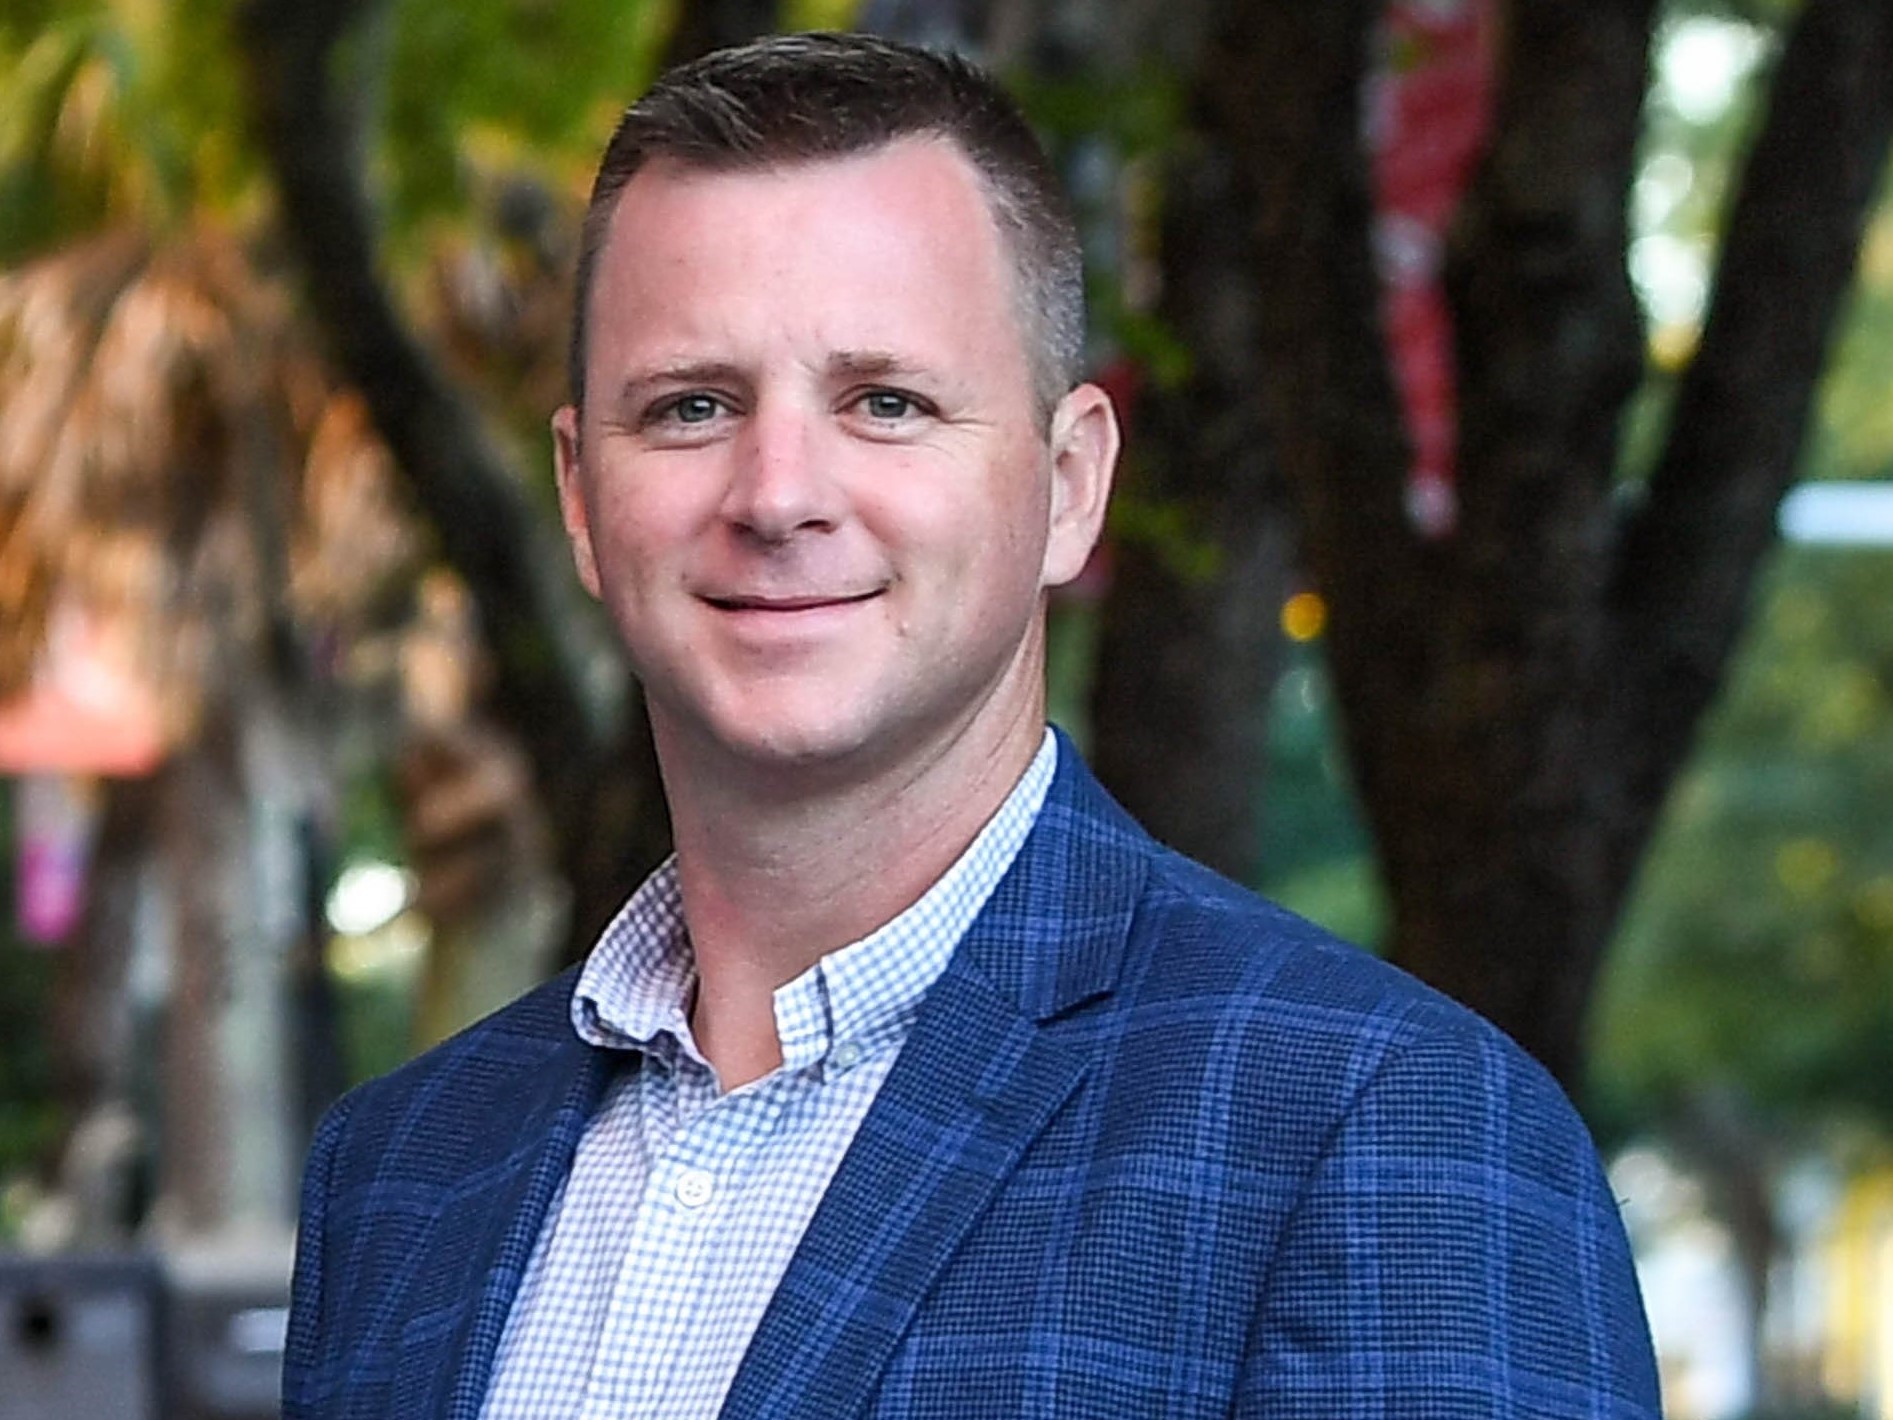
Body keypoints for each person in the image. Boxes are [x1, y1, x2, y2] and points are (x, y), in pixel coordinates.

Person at [282, 31, 1661, 1420]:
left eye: (886, 403)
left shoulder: (1386, 1132)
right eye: (691, 407)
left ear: (1069, 483)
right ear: (582, 495)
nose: (778, 494)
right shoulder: (401, 1174)